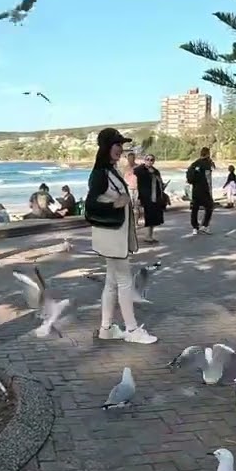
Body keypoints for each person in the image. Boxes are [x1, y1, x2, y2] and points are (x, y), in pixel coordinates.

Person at [86, 128, 157, 344]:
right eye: (116, 144)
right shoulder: (100, 173)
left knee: (111, 282)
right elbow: (90, 206)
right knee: (124, 281)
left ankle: (106, 328)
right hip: (112, 237)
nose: (120, 149)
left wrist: (121, 202)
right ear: (106, 146)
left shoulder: (109, 171)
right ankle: (132, 329)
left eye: (121, 145)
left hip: (115, 236)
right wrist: (117, 204)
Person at [134, 153, 168, 243]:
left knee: (154, 217)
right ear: (144, 160)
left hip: (156, 197)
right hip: (146, 197)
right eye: (148, 159)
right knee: (149, 216)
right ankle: (147, 236)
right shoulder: (140, 170)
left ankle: (150, 235)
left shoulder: (156, 171)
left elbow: (159, 182)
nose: (149, 161)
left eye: (152, 159)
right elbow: (137, 180)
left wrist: (162, 186)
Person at [185, 147, 216, 235]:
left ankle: (195, 227)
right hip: (204, 190)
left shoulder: (194, 163)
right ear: (208, 154)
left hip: (195, 189)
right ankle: (205, 226)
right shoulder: (207, 164)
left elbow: (190, 178)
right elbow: (208, 178)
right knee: (209, 207)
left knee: (195, 209)